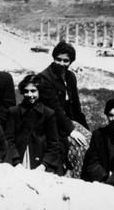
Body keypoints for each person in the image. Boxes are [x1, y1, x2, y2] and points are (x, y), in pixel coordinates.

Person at [37, 41, 89, 173]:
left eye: (66, 60)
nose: (61, 63)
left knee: (91, 141)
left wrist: (85, 128)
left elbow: (76, 106)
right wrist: (72, 130)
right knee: (79, 146)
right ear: (53, 58)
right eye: (58, 59)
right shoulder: (44, 78)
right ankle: (77, 178)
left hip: (68, 120)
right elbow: (54, 108)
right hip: (52, 122)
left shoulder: (70, 76)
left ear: (71, 61)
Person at [4, 74, 60, 173]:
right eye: (26, 91)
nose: (29, 95)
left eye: (33, 91)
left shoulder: (48, 113)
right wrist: (16, 162)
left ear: (39, 91)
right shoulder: (14, 111)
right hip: (18, 157)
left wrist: (44, 165)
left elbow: (53, 144)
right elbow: (9, 140)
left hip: (42, 159)